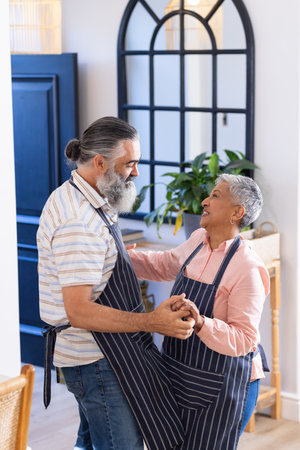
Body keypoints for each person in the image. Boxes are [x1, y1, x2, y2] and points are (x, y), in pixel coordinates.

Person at [37, 116, 195, 450]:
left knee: (92, 442)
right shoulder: (77, 222)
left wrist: (117, 260)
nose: (136, 172)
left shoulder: (85, 196)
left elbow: (92, 266)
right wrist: (151, 321)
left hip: (102, 354)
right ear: (100, 163)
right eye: (129, 164)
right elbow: (78, 311)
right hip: (95, 360)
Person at [128, 173, 270, 449]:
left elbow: (244, 339)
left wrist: (202, 322)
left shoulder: (248, 268)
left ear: (236, 213)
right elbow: (165, 264)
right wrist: (122, 256)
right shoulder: (198, 240)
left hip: (224, 384)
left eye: (215, 196)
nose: (204, 200)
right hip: (181, 371)